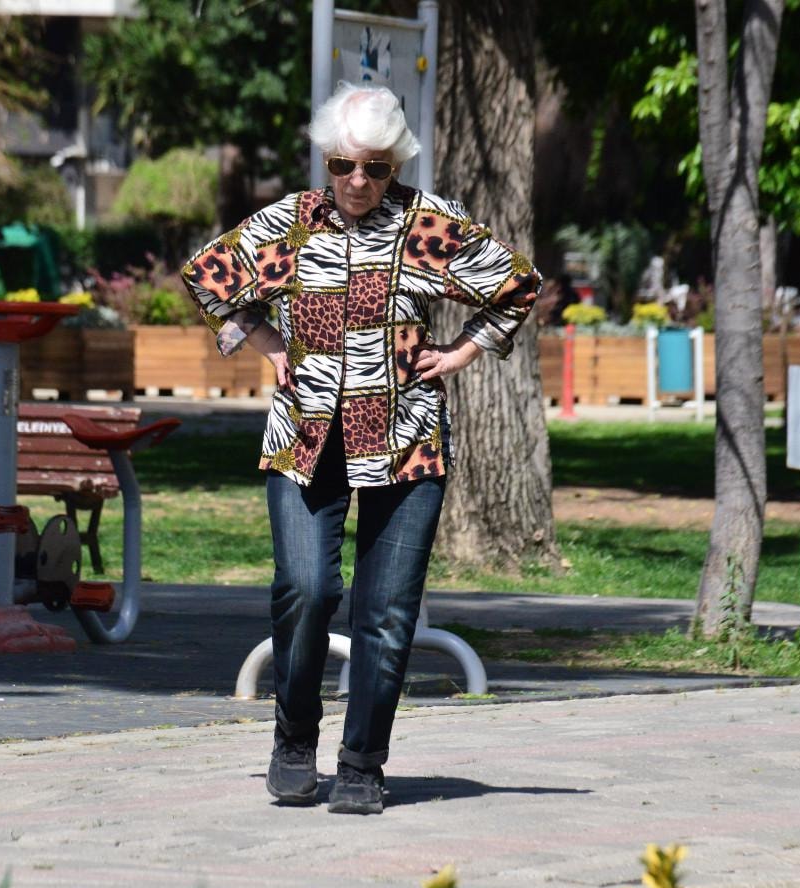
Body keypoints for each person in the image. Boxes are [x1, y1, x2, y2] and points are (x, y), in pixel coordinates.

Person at [181, 82, 540, 815]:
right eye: (343, 164)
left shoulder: (427, 224)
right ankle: (293, 740)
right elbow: (207, 276)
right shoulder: (291, 223)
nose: (357, 181)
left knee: (386, 611)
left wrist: (461, 353)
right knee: (306, 589)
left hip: (406, 439)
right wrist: (265, 341)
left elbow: (517, 284)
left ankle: (362, 764)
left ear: (395, 165)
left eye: (375, 168)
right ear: (326, 160)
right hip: (306, 437)